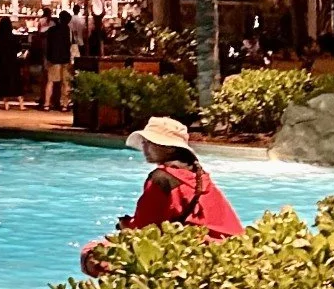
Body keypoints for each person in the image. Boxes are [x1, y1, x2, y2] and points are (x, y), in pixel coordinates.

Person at [80, 117, 244, 276]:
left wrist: (125, 227)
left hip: (200, 256)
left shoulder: (161, 179)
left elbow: (143, 233)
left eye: (149, 143)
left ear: (167, 148)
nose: (144, 148)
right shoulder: (197, 174)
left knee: (93, 253)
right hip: (230, 253)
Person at [45, 10, 74, 110]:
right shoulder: (69, 30)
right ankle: (64, 105)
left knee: (50, 82)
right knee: (65, 83)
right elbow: (72, 45)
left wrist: (47, 58)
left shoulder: (51, 30)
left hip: (53, 59)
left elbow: (47, 45)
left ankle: (47, 104)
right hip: (65, 59)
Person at [0, 15, 23, 107]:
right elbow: (18, 49)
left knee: (3, 82)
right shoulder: (14, 37)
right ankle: (21, 104)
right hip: (13, 62)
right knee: (16, 82)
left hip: (1, 62)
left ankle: (6, 104)